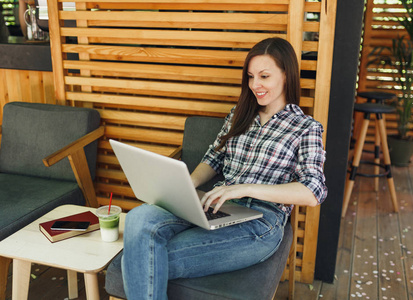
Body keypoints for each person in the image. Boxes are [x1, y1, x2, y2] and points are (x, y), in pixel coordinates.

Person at [122, 37, 328, 299]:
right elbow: (215, 157)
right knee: (139, 218)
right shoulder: (240, 114)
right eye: (251, 76)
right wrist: (186, 186)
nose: (255, 85)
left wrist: (243, 188)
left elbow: (313, 191)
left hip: (260, 222)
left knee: (143, 254)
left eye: (264, 76)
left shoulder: (306, 128)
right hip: (215, 204)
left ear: (286, 75)